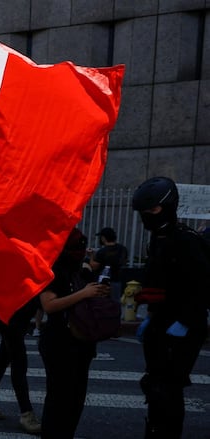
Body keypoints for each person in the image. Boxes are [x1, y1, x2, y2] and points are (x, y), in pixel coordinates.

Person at [131, 177, 209, 438]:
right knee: (154, 383)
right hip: (161, 320)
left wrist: (185, 322)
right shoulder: (158, 239)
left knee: (168, 388)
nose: (146, 216)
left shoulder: (186, 240)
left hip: (184, 324)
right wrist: (150, 317)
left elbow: (203, 285)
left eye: (151, 210)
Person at [38, 228, 110, 439]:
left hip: (82, 341)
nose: (81, 250)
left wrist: (98, 292)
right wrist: (84, 293)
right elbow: (49, 305)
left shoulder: (81, 269)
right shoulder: (52, 270)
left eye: (82, 245)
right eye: (77, 246)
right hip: (59, 342)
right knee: (59, 399)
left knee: (75, 398)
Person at [0, 296, 41, 434]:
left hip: (20, 313)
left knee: (4, 357)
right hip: (9, 314)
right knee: (19, 362)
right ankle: (26, 413)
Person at [89, 227, 129, 301]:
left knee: (102, 302)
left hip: (104, 282)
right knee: (115, 302)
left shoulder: (102, 251)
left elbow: (94, 266)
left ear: (103, 238)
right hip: (118, 280)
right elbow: (124, 262)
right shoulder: (123, 249)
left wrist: (91, 256)